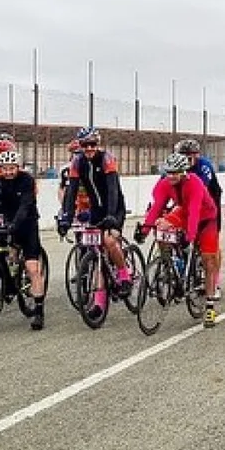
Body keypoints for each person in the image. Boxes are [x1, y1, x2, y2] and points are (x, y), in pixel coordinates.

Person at [138, 152, 221, 327]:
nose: (172, 176)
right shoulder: (165, 184)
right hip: (184, 212)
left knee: (208, 259)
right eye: (169, 172)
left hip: (206, 218)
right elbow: (157, 208)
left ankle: (210, 306)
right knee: (162, 225)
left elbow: (195, 211)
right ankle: (171, 265)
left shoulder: (195, 183)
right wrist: (145, 229)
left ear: (184, 171)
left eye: (175, 172)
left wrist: (189, 236)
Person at [57, 127, 132, 322]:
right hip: (95, 209)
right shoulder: (77, 161)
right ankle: (99, 302)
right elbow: (71, 192)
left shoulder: (106, 159)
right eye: (85, 145)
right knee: (97, 252)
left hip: (113, 207)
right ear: (80, 146)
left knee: (108, 241)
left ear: (98, 145)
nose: (89, 148)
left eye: (93, 144)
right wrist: (66, 216)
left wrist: (111, 216)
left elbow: (113, 189)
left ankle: (124, 275)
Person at [0, 149, 46, 330]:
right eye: (5, 169)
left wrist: (14, 225)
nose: (8, 172)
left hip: (27, 225)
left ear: (18, 168)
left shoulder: (26, 180)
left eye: (12, 168)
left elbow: (24, 206)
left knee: (32, 268)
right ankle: (3, 277)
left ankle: (38, 310)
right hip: (6, 224)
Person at [177, 138, 224, 294]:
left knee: (211, 245)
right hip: (189, 202)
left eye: (191, 156)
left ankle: (214, 281)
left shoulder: (204, 166)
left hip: (210, 201)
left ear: (197, 155)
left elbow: (199, 191)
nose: (187, 159)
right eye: (184, 155)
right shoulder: (175, 166)